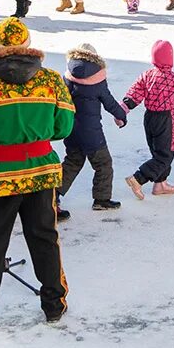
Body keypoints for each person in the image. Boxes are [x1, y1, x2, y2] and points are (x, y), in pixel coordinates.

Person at [0, 17, 74, 326]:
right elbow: (64, 127)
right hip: (41, 171)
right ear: (27, 44)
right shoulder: (50, 80)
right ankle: (54, 304)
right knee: (45, 237)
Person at [57, 43, 128, 218]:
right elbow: (109, 102)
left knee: (72, 162)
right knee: (103, 164)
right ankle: (101, 200)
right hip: (92, 133)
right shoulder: (97, 78)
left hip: (71, 130)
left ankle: (51, 195)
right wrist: (121, 116)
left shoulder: (68, 76)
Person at [122, 39, 174, 200]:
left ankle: (160, 184)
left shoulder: (147, 75)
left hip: (149, 118)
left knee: (157, 151)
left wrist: (124, 108)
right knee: (165, 155)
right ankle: (138, 178)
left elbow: (134, 94)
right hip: (165, 119)